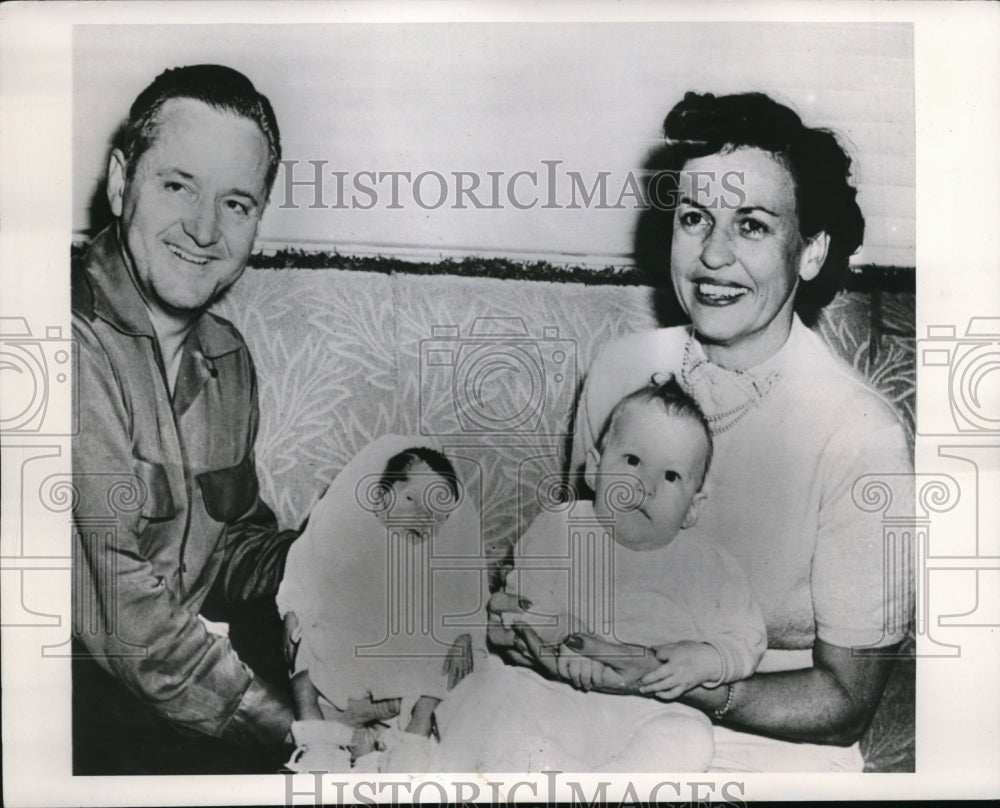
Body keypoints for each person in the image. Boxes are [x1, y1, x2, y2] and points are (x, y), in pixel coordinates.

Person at [489, 92, 913, 772]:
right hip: (578, 705)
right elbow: (581, 546)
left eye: (751, 226)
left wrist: (687, 688)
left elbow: (843, 705)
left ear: (810, 252)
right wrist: (523, 627)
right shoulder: (624, 367)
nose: (713, 255)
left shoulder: (861, 436)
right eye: (695, 218)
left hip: (754, 738)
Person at [71, 65, 298, 774]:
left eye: (236, 204)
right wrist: (295, 733)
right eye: (177, 187)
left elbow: (230, 546)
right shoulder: (56, 338)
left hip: (178, 676)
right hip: (62, 695)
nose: (204, 230)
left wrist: (343, 551)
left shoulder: (228, 359)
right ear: (119, 182)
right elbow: (126, 621)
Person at [431, 380, 766, 772]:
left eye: (671, 476)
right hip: (547, 687)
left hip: (647, 708)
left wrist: (706, 660)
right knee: (485, 695)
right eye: (633, 461)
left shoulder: (709, 564)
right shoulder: (560, 526)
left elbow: (746, 637)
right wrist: (557, 634)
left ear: (694, 507)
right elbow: (521, 603)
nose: (646, 486)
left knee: (688, 740)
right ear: (594, 467)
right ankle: (532, 767)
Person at [276, 436, 487, 772]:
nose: (422, 516)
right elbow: (308, 572)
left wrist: (464, 635)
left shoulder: (434, 559)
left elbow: (460, 600)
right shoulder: (350, 535)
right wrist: (294, 612)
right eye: (410, 500)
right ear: (380, 496)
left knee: (444, 661)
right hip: (346, 655)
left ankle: (411, 739)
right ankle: (318, 741)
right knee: (304, 654)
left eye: (437, 513)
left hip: (401, 664)